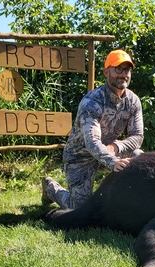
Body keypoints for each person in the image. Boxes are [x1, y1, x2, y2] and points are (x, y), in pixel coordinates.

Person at [42, 49, 144, 209]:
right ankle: (50, 188)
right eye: (118, 69)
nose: (124, 74)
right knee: (78, 208)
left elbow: (137, 136)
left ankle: (128, 203)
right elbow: (91, 142)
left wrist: (116, 148)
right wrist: (113, 162)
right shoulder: (91, 102)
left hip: (111, 152)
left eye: (127, 69)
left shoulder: (133, 101)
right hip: (80, 157)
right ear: (106, 71)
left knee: (140, 157)